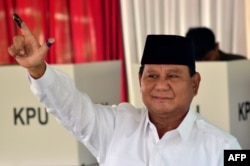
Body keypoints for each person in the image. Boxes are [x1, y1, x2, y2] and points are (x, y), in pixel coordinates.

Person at [8, 19, 241, 166]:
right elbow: (71, 107)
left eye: (173, 75)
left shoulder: (225, 148)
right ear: (140, 80)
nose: (161, 85)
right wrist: (38, 70)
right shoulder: (117, 126)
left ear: (195, 84)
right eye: (152, 76)